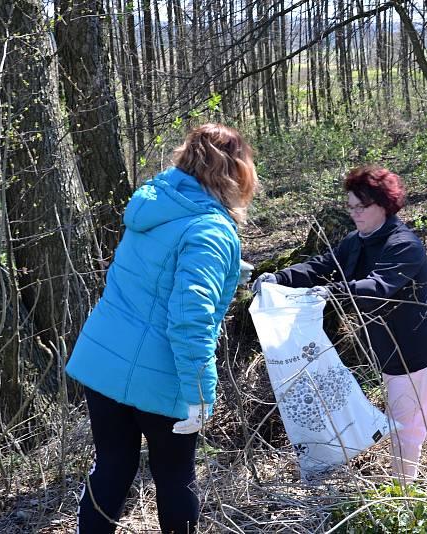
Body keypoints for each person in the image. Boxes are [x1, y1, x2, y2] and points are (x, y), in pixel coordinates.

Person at [66, 124, 258, 533]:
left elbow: (154, 271)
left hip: (104, 362)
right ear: (234, 172)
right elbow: (190, 320)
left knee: (112, 466)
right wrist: (200, 393)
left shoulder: (155, 204)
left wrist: (228, 270)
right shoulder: (211, 229)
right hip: (161, 375)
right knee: (175, 476)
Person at [253, 165, 427, 481]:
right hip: (384, 346)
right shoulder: (356, 242)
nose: (355, 214)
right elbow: (323, 265)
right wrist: (280, 278)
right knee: (416, 406)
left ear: (384, 204)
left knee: (405, 427)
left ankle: (404, 498)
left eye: (362, 207)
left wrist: (332, 291)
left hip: (414, 349)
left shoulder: (404, 245)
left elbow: (378, 287)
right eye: (351, 207)